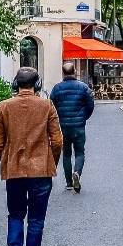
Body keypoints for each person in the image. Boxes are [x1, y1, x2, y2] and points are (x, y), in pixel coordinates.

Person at [0, 66, 62, 246]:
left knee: (15, 215)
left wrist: (8, 159)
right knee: (36, 220)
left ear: (15, 85)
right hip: (41, 171)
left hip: (14, 171)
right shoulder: (46, 105)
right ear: (37, 85)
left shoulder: (3, 107)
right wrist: (51, 161)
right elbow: (58, 140)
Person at [48, 61, 96, 191]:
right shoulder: (83, 87)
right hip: (79, 126)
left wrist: (57, 119)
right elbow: (90, 105)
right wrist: (83, 117)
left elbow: (51, 107)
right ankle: (77, 173)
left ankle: (69, 182)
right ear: (74, 71)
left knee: (66, 154)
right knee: (80, 152)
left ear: (63, 73)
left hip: (63, 126)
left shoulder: (57, 88)